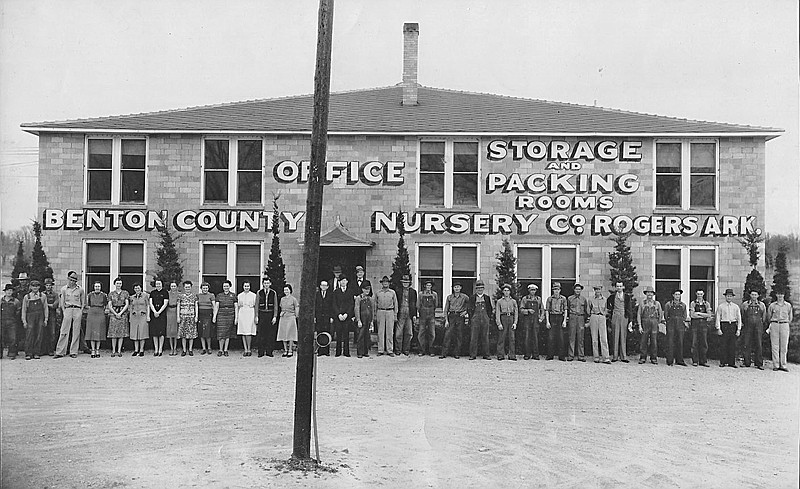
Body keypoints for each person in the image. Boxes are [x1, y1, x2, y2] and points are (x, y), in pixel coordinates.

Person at [55, 270, 85, 359]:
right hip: (67, 309)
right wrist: (64, 311)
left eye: (74, 280)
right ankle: (60, 351)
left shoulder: (80, 289)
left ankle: (73, 351)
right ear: (68, 279)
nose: (72, 282)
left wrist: (81, 310)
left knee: (76, 331)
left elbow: (83, 301)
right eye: (71, 279)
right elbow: (62, 301)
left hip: (77, 309)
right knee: (64, 331)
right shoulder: (64, 289)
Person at [21, 279, 48, 360]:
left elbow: (45, 308)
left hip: (40, 316)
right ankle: (28, 353)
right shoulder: (27, 297)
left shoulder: (43, 296)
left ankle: (37, 352)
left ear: (39, 287)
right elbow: (24, 310)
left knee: (39, 334)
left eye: (37, 286)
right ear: (30, 287)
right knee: (29, 334)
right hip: (30, 317)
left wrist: (46, 319)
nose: (35, 288)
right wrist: (24, 321)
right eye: (33, 286)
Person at [606, 281, 633, 362]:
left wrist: (631, 320)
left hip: (624, 316)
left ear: (623, 287)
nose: (619, 288)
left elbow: (629, 309)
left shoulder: (627, 297)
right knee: (615, 336)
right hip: (615, 316)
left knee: (623, 336)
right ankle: (615, 356)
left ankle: (623, 356)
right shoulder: (612, 297)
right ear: (616, 287)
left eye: (620, 286)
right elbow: (608, 306)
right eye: (617, 286)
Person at [441, 282, 468, 359]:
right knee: (447, 335)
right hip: (451, 316)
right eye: (455, 287)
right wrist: (446, 320)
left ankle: (457, 353)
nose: (456, 288)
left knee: (459, 335)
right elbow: (446, 309)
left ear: (460, 288)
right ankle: (444, 353)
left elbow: (470, 305)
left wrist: (465, 312)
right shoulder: (449, 297)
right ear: (453, 288)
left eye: (458, 287)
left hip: (460, 316)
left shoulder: (464, 297)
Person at [766, 290, 792, 372]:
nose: (780, 295)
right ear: (776, 295)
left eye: (782, 294)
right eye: (779, 294)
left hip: (784, 324)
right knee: (775, 345)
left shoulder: (788, 305)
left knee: (784, 345)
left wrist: (785, 322)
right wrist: (773, 322)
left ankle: (783, 365)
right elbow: (769, 316)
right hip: (775, 324)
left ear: (784, 295)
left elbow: (790, 317)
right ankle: (776, 365)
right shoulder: (772, 305)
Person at [715, 288, 742, 368]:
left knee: (732, 345)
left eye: (730, 296)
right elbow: (718, 318)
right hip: (724, 325)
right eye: (727, 296)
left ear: (732, 297)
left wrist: (738, 329)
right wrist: (718, 328)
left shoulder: (736, 307)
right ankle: (723, 362)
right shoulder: (721, 306)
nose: (729, 298)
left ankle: (731, 362)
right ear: (725, 297)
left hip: (732, 325)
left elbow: (739, 318)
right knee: (723, 344)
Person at [741, 290, 767, 369]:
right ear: (750, 295)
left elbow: (764, 317)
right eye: (752, 294)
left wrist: (760, 324)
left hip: (758, 326)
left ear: (758, 296)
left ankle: (759, 363)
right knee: (746, 343)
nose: (753, 296)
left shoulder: (761, 305)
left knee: (758, 344)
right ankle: (747, 362)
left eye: (755, 295)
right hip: (748, 326)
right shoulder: (745, 304)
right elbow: (742, 315)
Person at [468, 280, 493, 360]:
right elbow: (469, 309)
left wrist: (488, 317)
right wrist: (472, 318)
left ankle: (486, 354)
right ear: (476, 289)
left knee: (485, 337)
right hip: (475, 319)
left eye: (481, 288)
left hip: (485, 319)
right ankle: (473, 355)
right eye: (478, 288)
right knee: (474, 337)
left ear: (483, 289)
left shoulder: (487, 298)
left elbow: (490, 309)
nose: (480, 290)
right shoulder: (472, 298)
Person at [637, 286, 663, 364]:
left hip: (654, 323)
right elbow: (639, 315)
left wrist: (658, 323)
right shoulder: (642, 303)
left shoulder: (657, 303)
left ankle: (653, 358)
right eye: (648, 292)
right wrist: (640, 325)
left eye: (651, 293)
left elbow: (660, 314)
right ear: (646, 294)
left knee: (654, 341)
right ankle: (642, 357)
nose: (649, 294)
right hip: (645, 322)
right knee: (643, 341)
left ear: (653, 294)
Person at [663, 289, 689, 366]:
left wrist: (681, 321)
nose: (677, 296)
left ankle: (679, 360)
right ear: (673, 295)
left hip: (680, 324)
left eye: (679, 294)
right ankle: (670, 360)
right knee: (670, 341)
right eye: (676, 294)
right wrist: (669, 321)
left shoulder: (683, 305)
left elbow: (685, 315)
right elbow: (666, 315)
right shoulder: (668, 304)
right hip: (671, 323)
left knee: (680, 342)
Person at [688, 289, 713, 367]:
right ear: (696, 294)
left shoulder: (707, 304)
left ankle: (703, 361)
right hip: (695, 325)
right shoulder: (693, 303)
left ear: (703, 294)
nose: (699, 295)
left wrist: (698, 313)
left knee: (704, 343)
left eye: (701, 294)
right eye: (698, 294)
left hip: (704, 325)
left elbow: (709, 315)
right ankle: (695, 360)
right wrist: (703, 314)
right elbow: (692, 315)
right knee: (694, 342)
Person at [519, 284, 544, 360]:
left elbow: (542, 309)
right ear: (529, 290)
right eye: (531, 290)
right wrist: (528, 310)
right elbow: (521, 309)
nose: (533, 292)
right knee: (527, 336)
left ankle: (536, 354)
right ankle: (527, 354)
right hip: (527, 320)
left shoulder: (538, 299)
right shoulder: (525, 299)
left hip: (536, 320)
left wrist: (541, 318)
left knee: (535, 337)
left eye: (534, 290)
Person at [394, 275, 417, 356]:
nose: (405, 284)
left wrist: (414, 315)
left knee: (409, 333)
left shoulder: (413, 292)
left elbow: (414, 304)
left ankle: (406, 349)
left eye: (407, 282)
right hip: (401, 312)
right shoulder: (398, 291)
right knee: (398, 333)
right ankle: (398, 349)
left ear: (409, 283)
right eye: (404, 282)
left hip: (409, 312)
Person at [105, 278, 129, 358]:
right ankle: (113, 350)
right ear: (114, 284)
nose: (118, 285)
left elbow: (127, 304)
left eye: (120, 283)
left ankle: (119, 350)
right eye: (117, 283)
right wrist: (115, 313)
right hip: (113, 313)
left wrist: (121, 313)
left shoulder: (125, 293)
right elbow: (109, 304)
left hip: (123, 313)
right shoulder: (111, 294)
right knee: (113, 333)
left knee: (121, 333)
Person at [374, 276, 398, 356]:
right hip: (380, 311)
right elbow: (375, 304)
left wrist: (395, 315)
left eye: (386, 282)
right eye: (383, 282)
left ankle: (390, 350)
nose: (385, 283)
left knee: (390, 332)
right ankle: (380, 349)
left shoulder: (392, 292)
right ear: (382, 283)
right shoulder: (378, 293)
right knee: (380, 332)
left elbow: (396, 304)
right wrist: (375, 314)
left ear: (389, 283)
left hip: (389, 311)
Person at [213, 280, 237, 357]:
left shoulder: (233, 295)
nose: (226, 287)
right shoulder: (219, 296)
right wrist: (214, 316)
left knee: (227, 333)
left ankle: (226, 350)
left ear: (230, 286)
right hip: (221, 315)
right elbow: (216, 307)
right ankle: (220, 350)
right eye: (224, 286)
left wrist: (236, 317)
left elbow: (236, 307)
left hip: (230, 315)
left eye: (227, 286)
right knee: (221, 333)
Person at [566, 283, 590, 361]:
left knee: (581, 338)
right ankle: (571, 355)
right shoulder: (570, 298)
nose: (577, 291)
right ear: (574, 290)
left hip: (581, 317)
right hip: (572, 317)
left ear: (581, 290)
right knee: (571, 337)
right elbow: (568, 308)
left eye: (579, 289)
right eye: (576, 289)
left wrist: (586, 320)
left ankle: (581, 355)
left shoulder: (583, 299)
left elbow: (586, 311)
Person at [545, 282, 568, 361]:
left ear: (560, 290)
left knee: (561, 337)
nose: (556, 291)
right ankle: (550, 355)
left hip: (560, 317)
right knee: (551, 337)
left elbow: (565, 310)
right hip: (552, 317)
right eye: (555, 289)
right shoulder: (549, 299)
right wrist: (547, 321)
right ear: (553, 290)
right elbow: (547, 310)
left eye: (557, 289)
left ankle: (561, 356)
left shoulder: (563, 299)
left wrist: (564, 321)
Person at [332, 276, 355, 357]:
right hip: (338, 316)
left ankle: (346, 352)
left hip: (346, 316)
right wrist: (338, 314)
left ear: (347, 282)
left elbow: (351, 304)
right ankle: (338, 352)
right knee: (338, 334)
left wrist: (347, 314)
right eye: (341, 281)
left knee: (346, 334)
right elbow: (334, 304)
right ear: (339, 282)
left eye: (344, 280)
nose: (343, 282)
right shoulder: (336, 292)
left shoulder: (350, 292)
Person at [588, 285, 611, 363]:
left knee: (603, 338)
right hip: (594, 316)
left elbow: (607, 309)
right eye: (596, 290)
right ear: (594, 291)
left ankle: (606, 357)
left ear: (601, 290)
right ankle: (596, 357)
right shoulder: (591, 299)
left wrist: (604, 314)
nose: (597, 291)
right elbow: (588, 310)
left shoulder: (605, 299)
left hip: (602, 317)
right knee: (594, 338)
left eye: (599, 290)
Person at [495, 284, 518, 360]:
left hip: (511, 318)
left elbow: (516, 313)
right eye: (505, 290)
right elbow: (497, 312)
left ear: (510, 292)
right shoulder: (499, 301)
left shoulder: (513, 301)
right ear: (502, 292)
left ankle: (512, 355)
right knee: (501, 337)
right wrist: (499, 323)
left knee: (512, 338)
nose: (506, 292)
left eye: (508, 290)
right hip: (503, 318)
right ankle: (500, 355)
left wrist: (515, 323)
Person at [256, 277, 278, 357]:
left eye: (268, 283)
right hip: (262, 314)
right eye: (265, 283)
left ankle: (269, 351)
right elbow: (257, 305)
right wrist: (256, 316)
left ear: (270, 284)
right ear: (263, 284)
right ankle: (261, 352)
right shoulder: (259, 292)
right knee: (261, 334)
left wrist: (275, 316)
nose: (266, 285)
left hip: (270, 314)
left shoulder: (273, 293)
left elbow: (275, 305)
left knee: (270, 334)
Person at [85, 281, 107, 358]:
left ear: (100, 287)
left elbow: (105, 305)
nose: (97, 288)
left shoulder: (104, 295)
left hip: (100, 313)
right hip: (92, 313)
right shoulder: (90, 295)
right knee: (92, 332)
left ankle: (97, 349)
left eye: (98, 286)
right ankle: (93, 350)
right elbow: (88, 305)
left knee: (99, 332)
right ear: (94, 287)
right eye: (96, 286)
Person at [354, 283, 376, 358]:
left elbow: (372, 310)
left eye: (368, 289)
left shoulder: (370, 299)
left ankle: (365, 351)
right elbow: (357, 309)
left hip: (368, 320)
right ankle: (359, 352)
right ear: (362, 289)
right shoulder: (358, 298)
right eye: (365, 289)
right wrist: (358, 320)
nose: (367, 291)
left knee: (367, 336)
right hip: (362, 320)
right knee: (360, 336)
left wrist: (372, 321)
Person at [417, 280, 438, 356]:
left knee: (432, 333)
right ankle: (421, 350)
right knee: (421, 333)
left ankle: (431, 350)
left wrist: (431, 311)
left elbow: (436, 305)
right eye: (427, 285)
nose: (428, 287)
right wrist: (421, 313)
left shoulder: (434, 294)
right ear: (425, 286)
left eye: (430, 285)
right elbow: (418, 305)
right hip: (423, 315)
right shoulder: (421, 294)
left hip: (431, 315)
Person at [128, 284, 150, 357]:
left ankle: (141, 350)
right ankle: (136, 349)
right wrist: (130, 317)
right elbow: (131, 307)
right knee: (135, 333)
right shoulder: (132, 297)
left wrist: (148, 316)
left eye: (138, 288)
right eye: (135, 288)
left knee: (142, 332)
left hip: (142, 315)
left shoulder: (145, 296)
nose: (137, 289)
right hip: (134, 316)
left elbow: (148, 305)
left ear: (141, 288)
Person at [277, 284, 299, 357]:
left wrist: (296, 316)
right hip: (283, 317)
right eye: (284, 290)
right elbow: (281, 307)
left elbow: (296, 307)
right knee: (283, 333)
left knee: (290, 334)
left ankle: (290, 350)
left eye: (287, 290)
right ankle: (285, 350)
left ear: (290, 290)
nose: (286, 291)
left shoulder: (293, 299)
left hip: (291, 317)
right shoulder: (282, 299)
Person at [1, 284, 22, 359]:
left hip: (12, 322)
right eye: (8, 290)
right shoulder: (1, 301)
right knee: (1, 337)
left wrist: (15, 320)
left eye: (11, 290)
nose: (9, 292)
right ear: (5, 292)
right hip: (2, 322)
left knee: (12, 338)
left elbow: (18, 311)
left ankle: (12, 353)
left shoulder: (16, 301)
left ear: (12, 292)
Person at [237, 281, 257, 357]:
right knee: (243, 331)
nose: (246, 287)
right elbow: (238, 306)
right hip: (242, 313)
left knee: (249, 332)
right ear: (243, 287)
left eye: (248, 286)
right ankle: (245, 349)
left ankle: (249, 349)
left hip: (250, 313)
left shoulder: (253, 295)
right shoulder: (240, 295)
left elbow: (255, 306)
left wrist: (255, 316)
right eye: (245, 286)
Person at [178, 280, 198, 356]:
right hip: (183, 316)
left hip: (191, 317)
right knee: (183, 334)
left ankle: (190, 349)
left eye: (189, 287)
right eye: (186, 287)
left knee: (191, 334)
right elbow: (178, 306)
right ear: (184, 288)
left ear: (191, 287)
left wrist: (196, 316)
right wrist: (178, 317)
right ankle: (184, 350)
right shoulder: (181, 296)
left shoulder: (194, 296)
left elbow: (196, 306)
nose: (187, 288)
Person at [148, 280, 168, 357]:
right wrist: (154, 312)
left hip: (162, 315)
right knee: (154, 332)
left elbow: (165, 303)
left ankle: (160, 349)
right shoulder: (153, 293)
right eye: (157, 284)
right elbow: (151, 303)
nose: (158, 285)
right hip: (154, 314)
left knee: (161, 332)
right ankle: (156, 349)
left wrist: (159, 312)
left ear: (162, 284)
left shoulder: (165, 292)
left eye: (159, 284)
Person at [314, 280, 334, 356]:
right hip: (319, 317)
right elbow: (315, 306)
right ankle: (320, 351)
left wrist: (332, 317)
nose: (323, 287)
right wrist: (315, 317)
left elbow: (332, 306)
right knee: (319, 332)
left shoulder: (330, 295)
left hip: (327, 317)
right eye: (322, 285)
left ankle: (326, 351)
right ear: (320, 286)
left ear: (328, 287)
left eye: (325, 285)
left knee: (327, 333)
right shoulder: (316, 295)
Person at [41, 277, 60, 356]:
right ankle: (43, 350)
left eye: (50, 285)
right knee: (43, 332)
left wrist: (46, 305)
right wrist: (48, 305)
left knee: (52, 332)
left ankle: (51, 349)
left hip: (52, 315)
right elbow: (40, 304)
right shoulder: (42, 294)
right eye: (47, 285)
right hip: (43, 315)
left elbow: (55, 305)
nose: (48, 287)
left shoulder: (55, 294)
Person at [197, 282, 215, 355]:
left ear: (208, 288)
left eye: (206, 288)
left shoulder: (211, 295)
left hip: (208, 314)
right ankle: (203, 348)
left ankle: (209, 348)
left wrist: (214, 316)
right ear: (201, 288)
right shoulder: (198, 295)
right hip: (201, 315)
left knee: (207, 332)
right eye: (203, 288)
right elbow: (196, 305)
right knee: (201, 332)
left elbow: (214, 306)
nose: (205, 289)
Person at [166, 281, 180, 356]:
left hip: (176, 311)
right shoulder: (167, 294)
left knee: (175, 331)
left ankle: (175, 348)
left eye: (174, 286)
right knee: (170, 331)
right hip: (169, 311)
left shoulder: (179, 294)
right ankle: (171, 348)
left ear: (176, 287)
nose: (173, 288)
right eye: (172, 286)